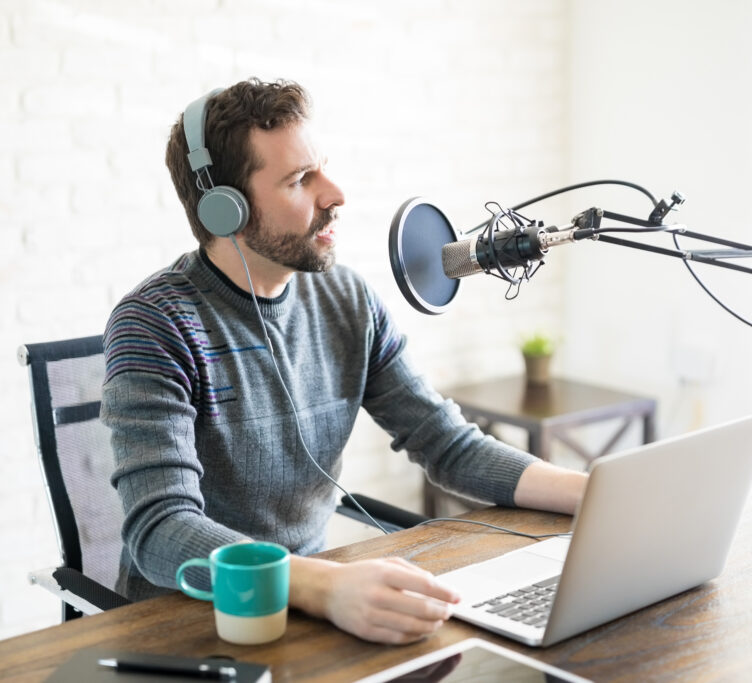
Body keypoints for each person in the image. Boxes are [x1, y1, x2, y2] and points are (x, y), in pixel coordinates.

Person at [101, 78, 588, 644]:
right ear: (225, 210)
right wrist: (325, 586)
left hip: (313, 606)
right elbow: (161, 531)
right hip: (193, 625)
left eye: (323, 168)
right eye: (299, 180)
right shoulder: (155, 323)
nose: (335, 194)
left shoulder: (347, 300)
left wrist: (599, 495)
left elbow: (446, 442)